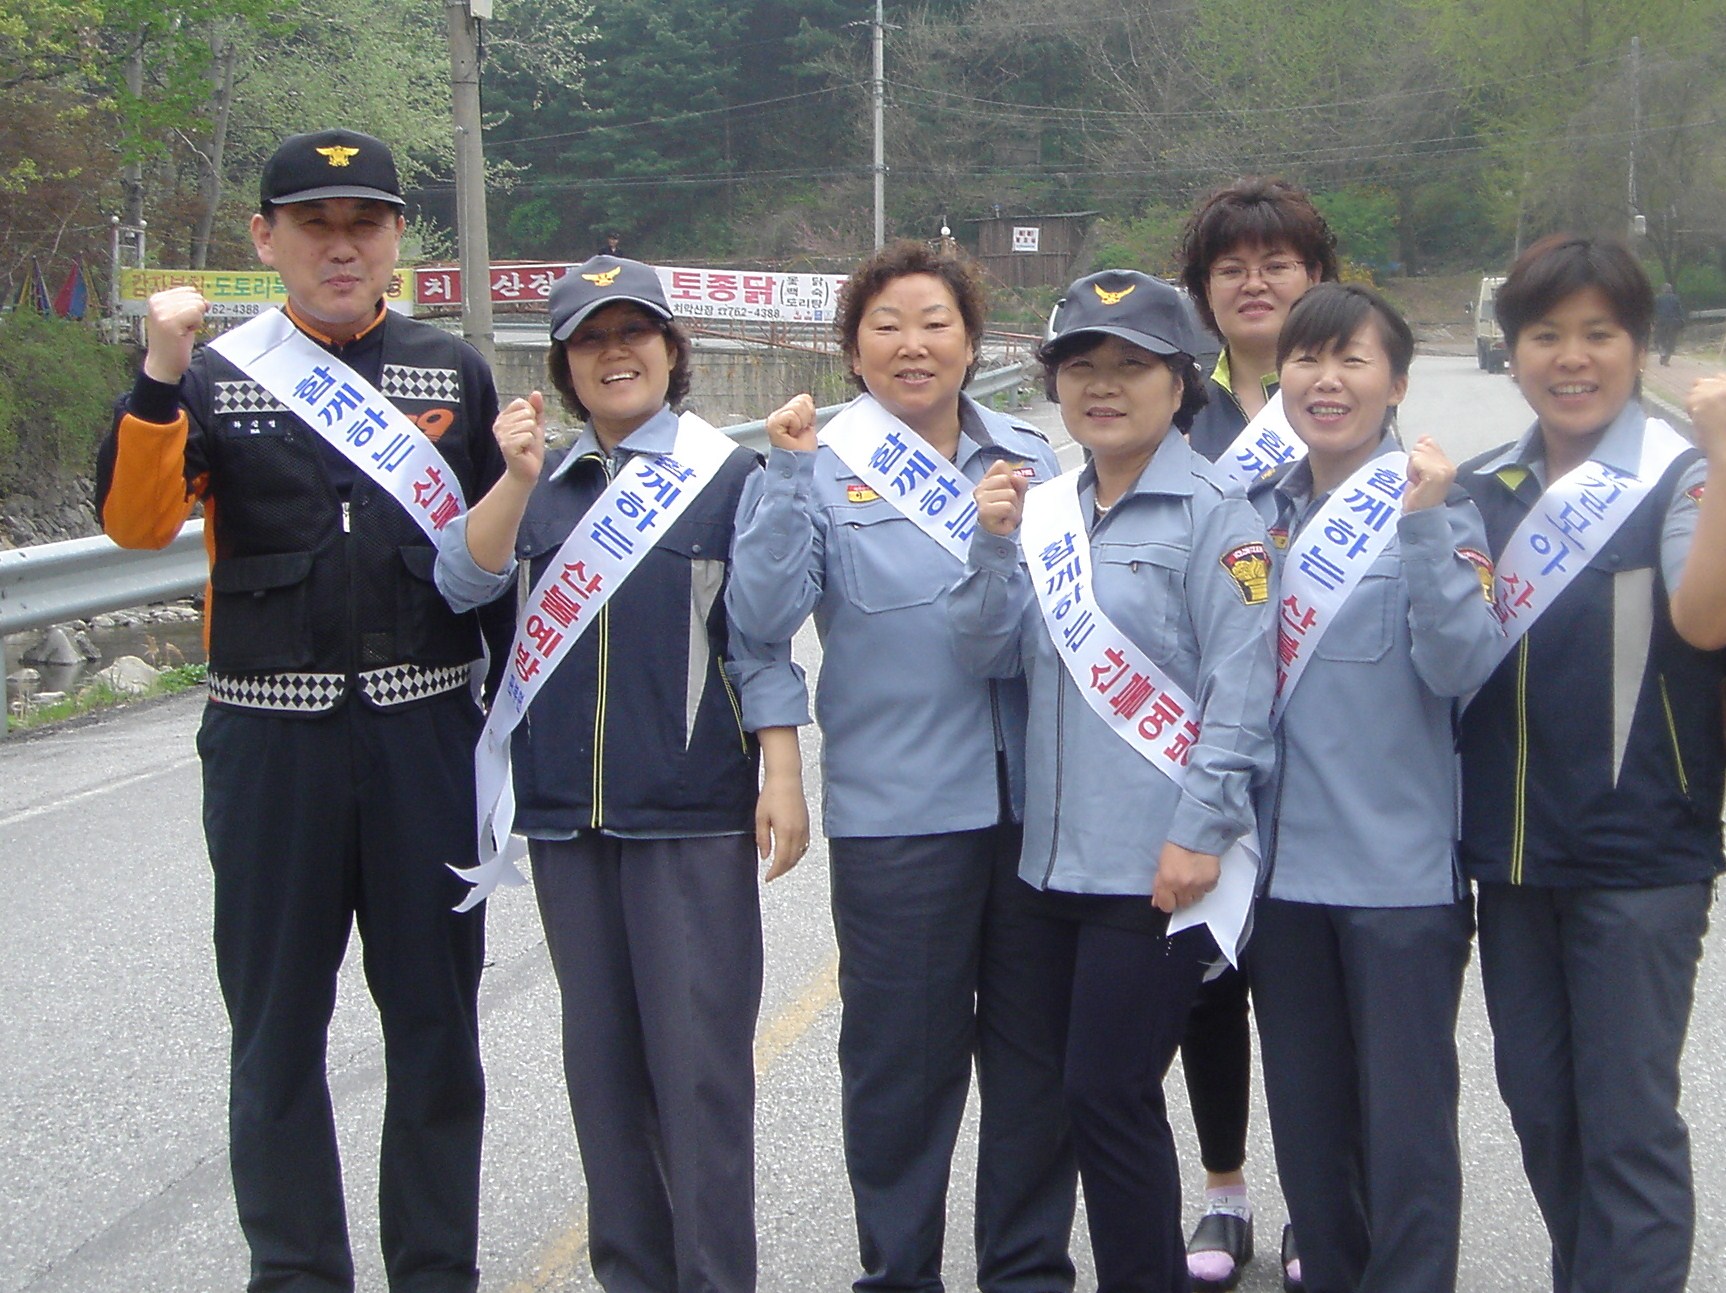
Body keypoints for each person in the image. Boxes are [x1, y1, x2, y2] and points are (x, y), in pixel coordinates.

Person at [95, 129, 503, 1292]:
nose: (340, 247)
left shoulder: (451, 371)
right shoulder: (215, 375)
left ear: (395, 240)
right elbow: (134, 524)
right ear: (264, 239)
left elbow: (497, 555)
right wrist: (159, 370)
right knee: (275, 1031)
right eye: (314, 225)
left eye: (363, 224)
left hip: (425, 737)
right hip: (272, 741)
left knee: (436, 1029)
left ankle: (437, 1270)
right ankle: (294, 1271)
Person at [435, 255, 810, 1293]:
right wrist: (512, 480)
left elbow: (764, 634)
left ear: (671, 348)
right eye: (589, 339)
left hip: (690, 815)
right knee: (601, 1080)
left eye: (633, 332)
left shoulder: (728, 478)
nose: (615, 354)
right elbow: (459, 581)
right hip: (566, 820)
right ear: (563, 365)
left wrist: (781, 769)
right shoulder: (540, 486)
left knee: (699, 1082)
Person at [727, 241, 1078, 1293]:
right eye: (885, 326)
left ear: (972, 342)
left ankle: (1027, 1271)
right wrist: (789, 478)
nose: (912, 345)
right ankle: (899, 1272)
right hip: (900, 817)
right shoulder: (816, 460)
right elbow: (759, 622)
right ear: (853, 352)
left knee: (1036, 1062)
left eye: (935, 323)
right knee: (900, 1070)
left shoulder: (1033, 456)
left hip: (1038, 810)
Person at [950, 269, 1275, 1293]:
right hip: (1048, 865)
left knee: (1110, 1093)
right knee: (1069, 1098)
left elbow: (1242, 691)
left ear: (1179, 385)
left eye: (1131, 365)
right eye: (1080, 364)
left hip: (1157, 869)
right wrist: (990, 547)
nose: (1102, 385)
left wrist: (1200, 832)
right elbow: (983, 652)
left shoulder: (1220, 515)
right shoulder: (1043, 510)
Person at [1457, 234, 1726, 1293]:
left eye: (1599, 334)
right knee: (1540, 1110)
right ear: (1512, 350)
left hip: (1639, 857)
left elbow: (1703, 620)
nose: (1572, 358)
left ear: (1638, 346)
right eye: (1546, 335)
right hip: (1513, 860)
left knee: (1626, 1123)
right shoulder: (1480, 487)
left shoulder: (1681, 478)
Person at [1246, 283, 1501, 1293]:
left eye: (1351, 359)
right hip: (1281, 885)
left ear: (1395, 383)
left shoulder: (1441, 510)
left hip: (1397, 884)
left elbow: (1461, 664)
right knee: (1309, 1138)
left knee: (1405, 1139)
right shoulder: (1255, 514)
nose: (1326, 380)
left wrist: (1424, 527)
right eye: (1306, 359)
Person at [1171, 174, 1339, 1291]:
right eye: (1230, 267)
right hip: (1194, 732)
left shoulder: (1346, 395)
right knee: (1209, 977)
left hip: (1317, 741)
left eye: (1278, 262)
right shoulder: (1173, 405)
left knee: (1305, 988)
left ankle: (1318, 1199)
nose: (1255, 282)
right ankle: (1224, 1188)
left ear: (1316, 277)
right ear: (1203, 292)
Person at [1654, 281, 1684, 366]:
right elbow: (1680, 311)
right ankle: (1666, 358)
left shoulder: (1658, 298)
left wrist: (1653, 321)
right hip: (1673, 322)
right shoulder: (1675, 298)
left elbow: (1654, 310)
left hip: (1661, 321)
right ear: (1671, 289)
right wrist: (1681, 320)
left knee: (1660, 339)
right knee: (1671, 340)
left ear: (1663, 290)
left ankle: (1662, 353)